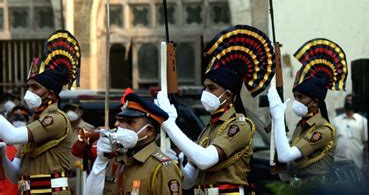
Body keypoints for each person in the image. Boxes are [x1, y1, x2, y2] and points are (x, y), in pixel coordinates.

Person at [157, 25, 275, 195]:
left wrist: (170, 125)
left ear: (228, 94)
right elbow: (189, 181)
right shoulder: (207, 131)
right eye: (205, 87)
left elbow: (205, 160)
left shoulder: (239, 126)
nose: (206, 93)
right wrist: (177, 163)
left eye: (212, 88)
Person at [0, 30, 81, 194]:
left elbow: (12, 136)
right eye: (28, 86)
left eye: (35, 87)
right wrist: (2, 154)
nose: (29, 91)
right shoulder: (33, 124)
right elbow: (14, 176)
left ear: (50, 94)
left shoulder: (56, 119)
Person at [268, 38, 348, 187]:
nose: (296, 101)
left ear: (315, 102)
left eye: (301, 97)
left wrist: (279, 118)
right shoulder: (302, 126)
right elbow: (285, 173)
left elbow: (287, 155)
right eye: (295, 97)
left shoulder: (323, 130)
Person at [84, 89, 182, 195]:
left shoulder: (161, 168)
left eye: (130, 122)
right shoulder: (116, 161)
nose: (120, 126)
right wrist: (101, 160)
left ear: (149, 130)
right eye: (121, 120)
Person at [62, 103, 95, 194]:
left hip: (80, 177)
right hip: (61, 177)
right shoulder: (60, 129)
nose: (70, 112)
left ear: (81, 111)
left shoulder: (89, 130)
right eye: (68, 109)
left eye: (73, 109)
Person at [333, 94, 368, 170]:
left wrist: (366, 162)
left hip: (357, 160)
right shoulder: (336, 120)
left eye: (350, 101)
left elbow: (366, 143)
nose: (349, 103)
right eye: (347, 101)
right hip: (339, 160)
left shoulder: (362, 121)